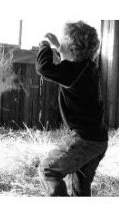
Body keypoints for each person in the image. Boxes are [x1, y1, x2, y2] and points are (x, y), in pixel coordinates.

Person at [36, 21, 108, 196]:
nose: (60, 46)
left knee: (48, 170)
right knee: (79, 189)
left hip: (83, 140)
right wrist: (59, 47)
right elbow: (68, 65)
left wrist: (44, 45)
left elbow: (44, 68)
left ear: (73, 49)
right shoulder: (87, 67)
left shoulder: (73, 71)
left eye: (64, 42)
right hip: (98, 141)